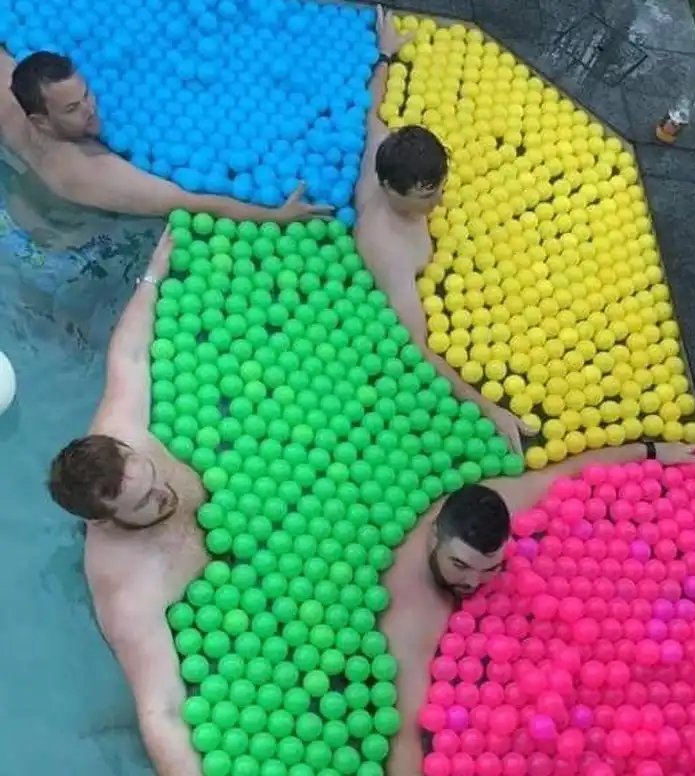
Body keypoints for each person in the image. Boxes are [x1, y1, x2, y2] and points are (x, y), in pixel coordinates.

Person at [380, 439, 695, 776]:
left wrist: (652, 451)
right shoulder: (413, 611)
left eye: (490, 567)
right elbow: (403, 735)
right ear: (435, 536)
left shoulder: (499, 502)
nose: (473, 582)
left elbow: (571, 470)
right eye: (460, 565)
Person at [48, 229, 206, 776]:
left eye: (151, 475)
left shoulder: (123, 432)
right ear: (105, 522)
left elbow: (131, 355)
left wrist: (153, 272)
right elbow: (160, 711)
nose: (164, 492)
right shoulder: (128, 591)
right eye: (144, 502)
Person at [355, 9, 532, 453]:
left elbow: (372, 110)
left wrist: (385, 55)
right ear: (389, 187)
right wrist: (488, 408)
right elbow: (418, 347)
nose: (436, 204)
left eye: (439, 189)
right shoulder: (388, 251)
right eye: (425, 196)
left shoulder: (381, 147)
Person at [0, 49, 330, 223]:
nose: (90, 109)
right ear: (41, 122)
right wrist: (275, 215)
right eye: (72, 108)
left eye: (87, 93)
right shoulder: (87, 171)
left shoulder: (10, 89)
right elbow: (192, 202)